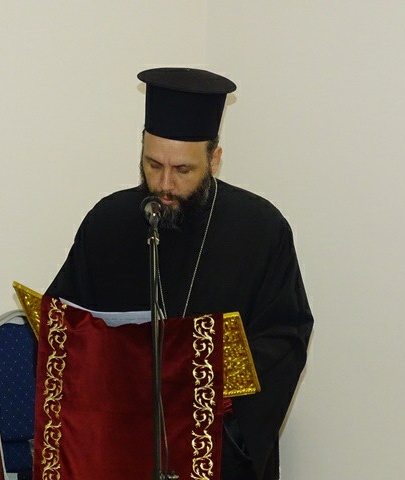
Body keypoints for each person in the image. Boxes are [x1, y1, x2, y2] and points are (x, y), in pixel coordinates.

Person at [46, 67, 314, 480]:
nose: (165, 184)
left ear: (214, 159)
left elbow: (285, 338)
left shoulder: (261, 229)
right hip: (119, 440)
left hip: (216, 444)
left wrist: (209, 383)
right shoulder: (107, 221)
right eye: (153, 165)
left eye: (183, 170)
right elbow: (65, 320)